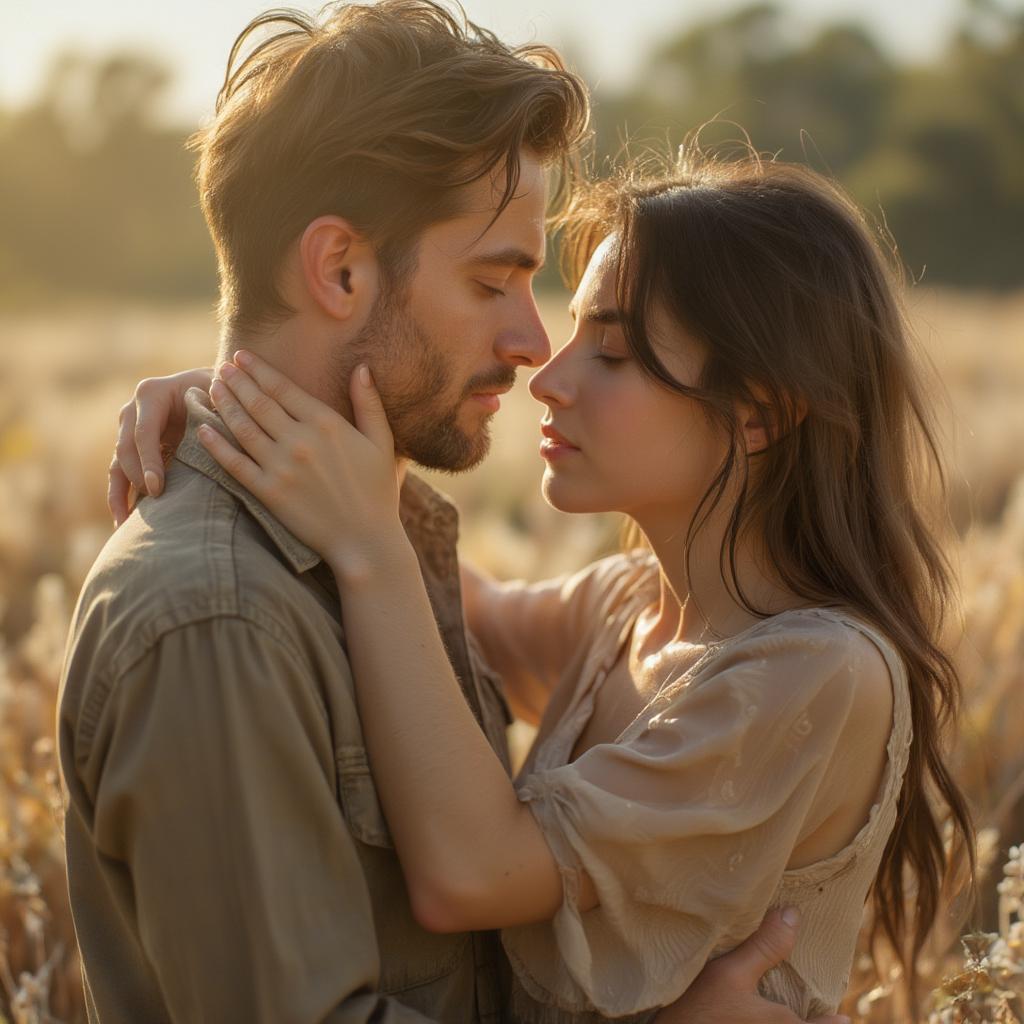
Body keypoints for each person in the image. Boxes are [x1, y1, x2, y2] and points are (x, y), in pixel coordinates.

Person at [60, 1, 836, 1022]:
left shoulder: (367, 544)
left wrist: (223, 390)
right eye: (492, 282)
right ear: (339, 269)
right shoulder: (222, 619)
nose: (531, 344)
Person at [127, 153, 977, 1021]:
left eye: (610, 352)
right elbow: (455, 615)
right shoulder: (624, 612)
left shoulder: (819, 674)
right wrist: (251, 401)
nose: (550, 377)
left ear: (758, 412)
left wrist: (369, 543)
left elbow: (469, 873)